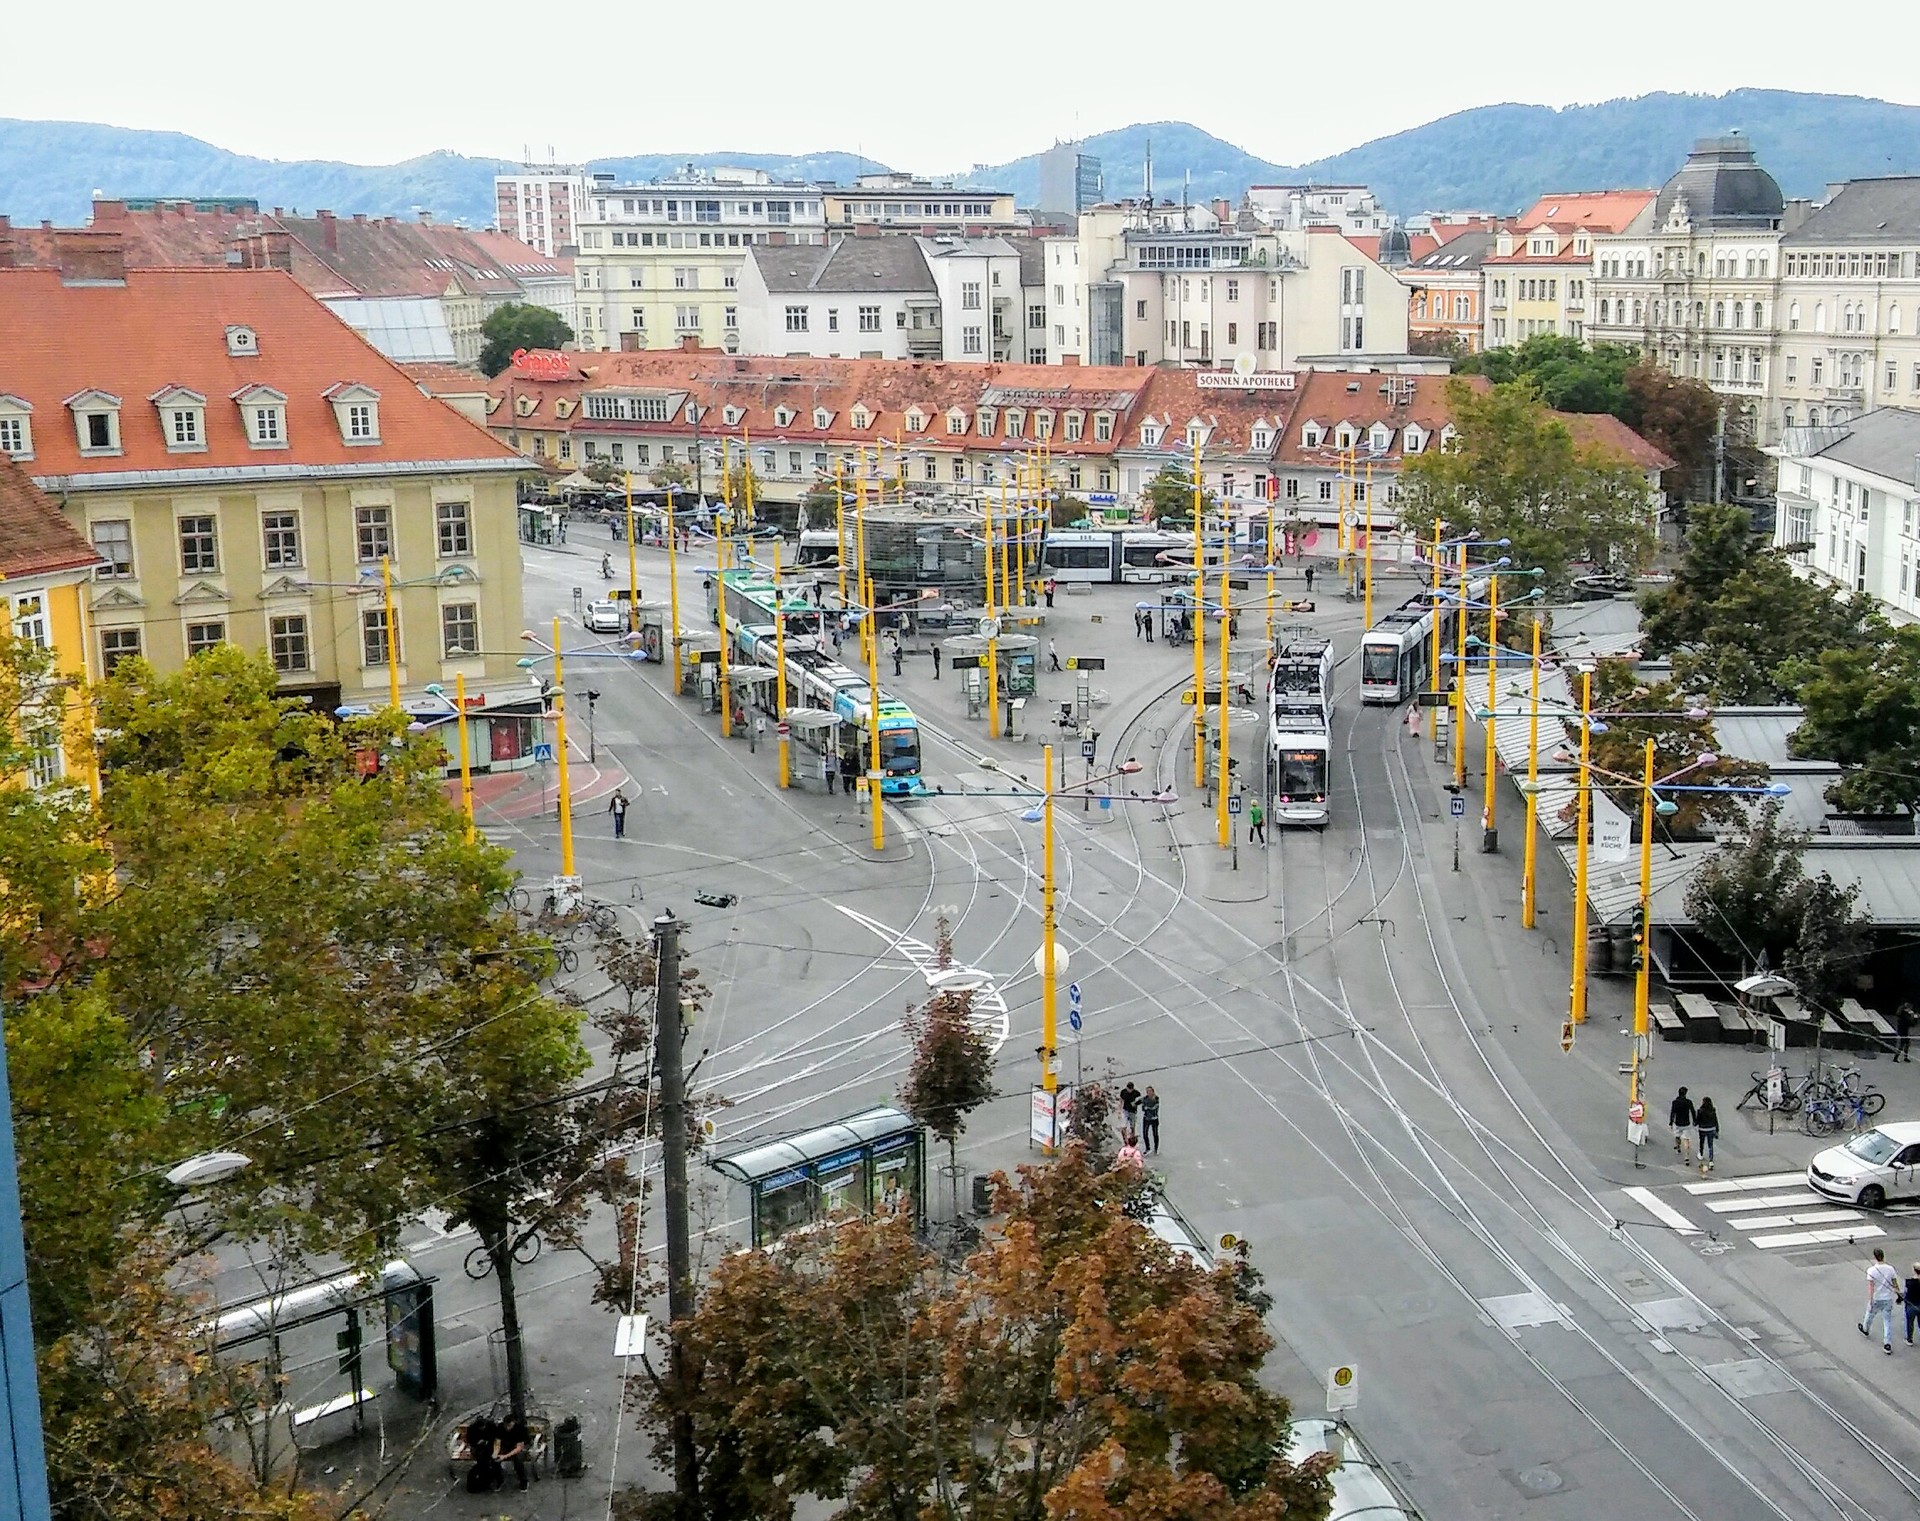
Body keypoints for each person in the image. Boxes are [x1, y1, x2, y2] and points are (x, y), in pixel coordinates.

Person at [1863, 1247, 1900, 1353]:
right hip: (1887, 1298)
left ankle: (1865, 1329)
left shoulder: (1871, 1270)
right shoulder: (1890, 1269)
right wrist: (1898, 1294)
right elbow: (1894, 1283)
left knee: (1869, 1314)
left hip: (1877, 1297)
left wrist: (1870, 1301)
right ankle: (1887, 1343)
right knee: (1887, 1321)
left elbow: (1871, 1287)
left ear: (1874, 1257)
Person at [463, 1416, 503, 1493]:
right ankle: (486, 1477)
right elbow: (470, 1441)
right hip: (479, 1447)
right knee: (482, 1460)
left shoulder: (491, 1426)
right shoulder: (472, 1428)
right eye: (481, 1428)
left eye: (483, 1427)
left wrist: (492, 1446)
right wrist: (477, 1443)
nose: (482, 1429)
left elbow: (497, 1438)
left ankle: (498, 1479)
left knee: (494, 1460)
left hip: (492, 1445)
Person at [495, 1411, 532, 1491]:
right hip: (506, 1445)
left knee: (518, 1459)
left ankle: (523, 1481)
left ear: (514, 1423)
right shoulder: (500, 1428)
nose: (508, 1428)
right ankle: (499, 1480)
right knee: (495, 1460)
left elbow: (518, 1448)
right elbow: (497, 1442)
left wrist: (504, 1456)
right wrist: (496, 1453)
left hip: (520, 1446)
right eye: (506, 1426)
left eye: (510, 1426)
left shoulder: (520, 1429)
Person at [1668, 1086, 1695, 1161]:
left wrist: (1671, 1122)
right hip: (1686, 1123)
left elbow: (1673, 1113)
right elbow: (1693, 1111)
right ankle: (1687, 1156)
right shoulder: (1689, 1102)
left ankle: (1678, 1146)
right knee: (1686, 1139)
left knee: (1677, 1136)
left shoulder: (1675, 1102)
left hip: (1678, 1123)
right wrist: (1695, 1120)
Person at [1694, 1096, 1719, 1172]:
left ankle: (1701, 1154)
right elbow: (1716, 1121)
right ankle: (1711, 1160)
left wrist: (1695, 1123)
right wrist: (1717, 1130)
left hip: (1702, 1129)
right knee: (1710, 1144)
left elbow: (1697, 1121)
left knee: (1702, 1142)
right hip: (1711, 1129)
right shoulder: (1713, 1110)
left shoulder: (1700, 1110)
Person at [1140, 1086, 1161, 1155]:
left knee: (1155, 1134)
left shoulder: (1156, 1098)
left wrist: (1147, 1108)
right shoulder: (1145, 1098)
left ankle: (1156, 1148)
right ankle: (1147, 1148)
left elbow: (1155, 1107)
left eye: (1150, 1091)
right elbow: (1143, 1108)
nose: (1149, 1092)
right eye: (1147, 1091)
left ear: (1153, 1091)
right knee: (1145, 1134)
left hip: (1154, 1118)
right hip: (1146, 1118)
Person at [1906, 1262, 1920, 1346]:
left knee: (1910, 1323)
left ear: (1914, 1270)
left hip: (1911, 1305)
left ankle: (1910, 1339)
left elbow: (1907, 1294)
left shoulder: (1909, 1282)